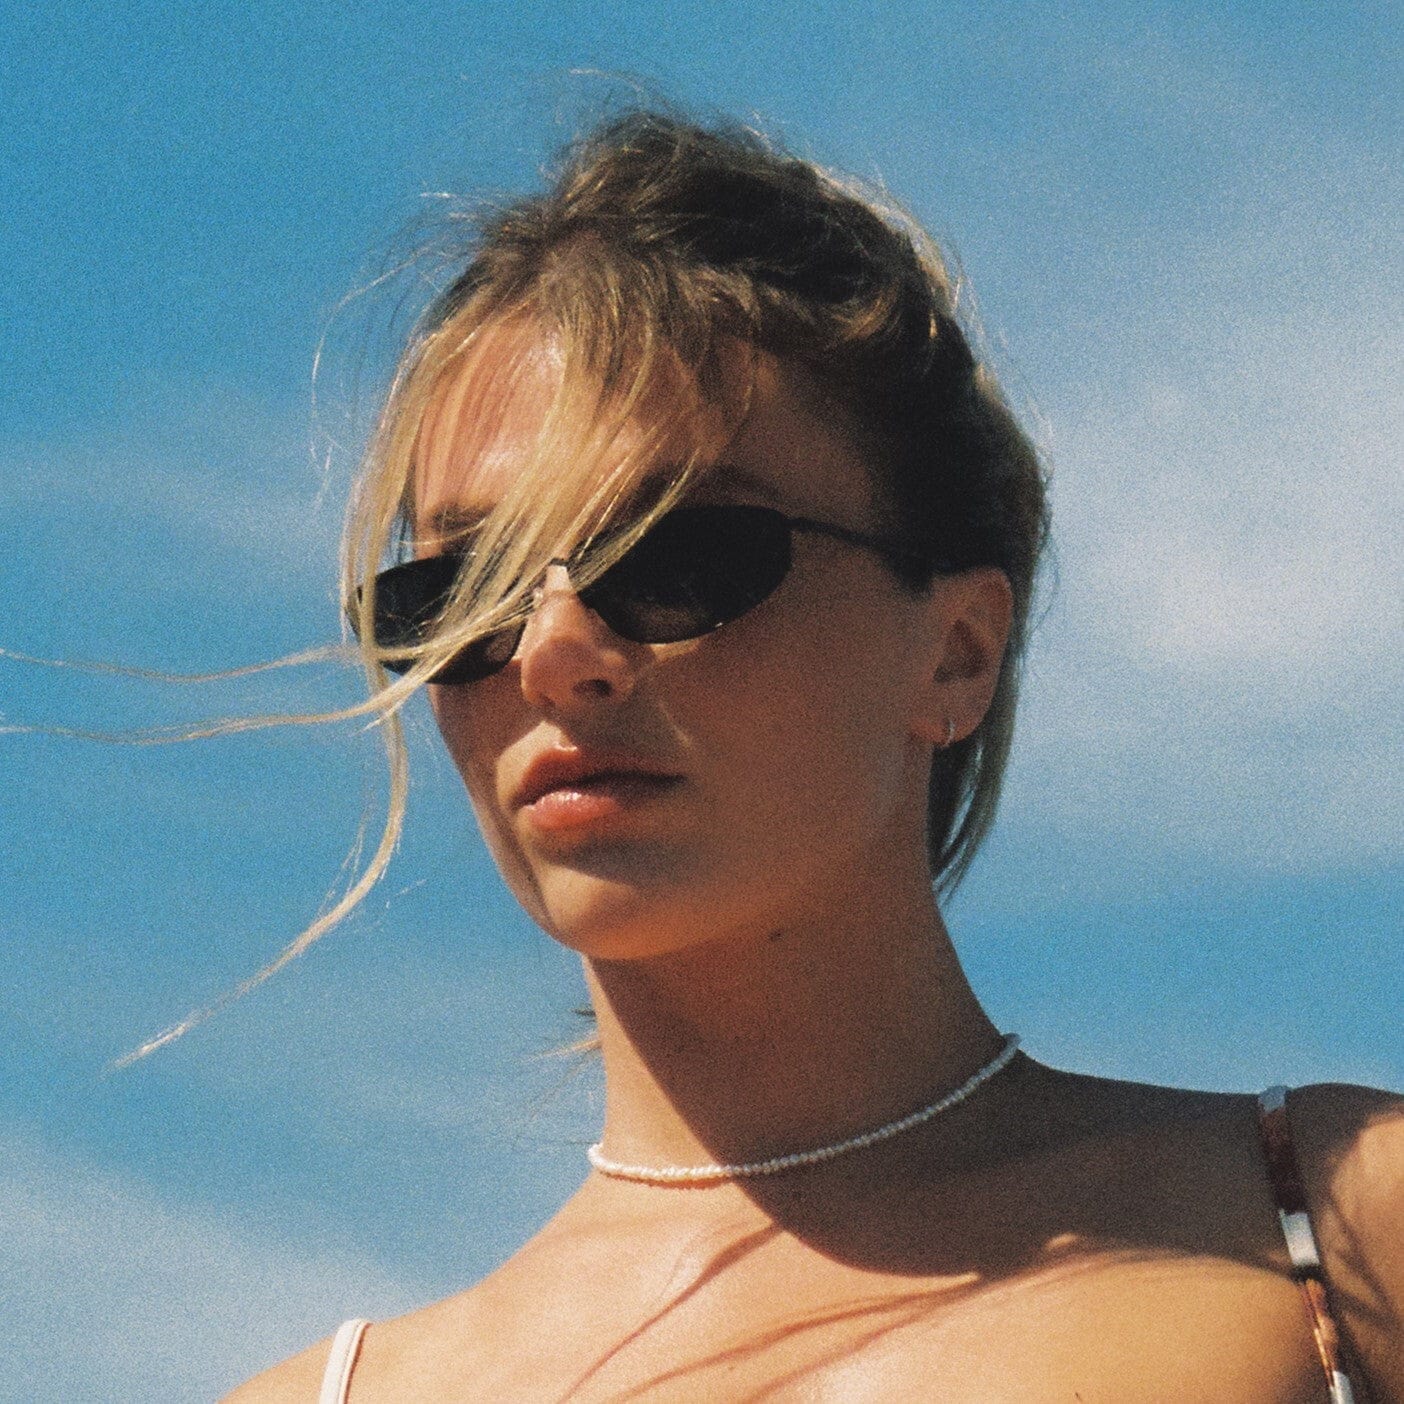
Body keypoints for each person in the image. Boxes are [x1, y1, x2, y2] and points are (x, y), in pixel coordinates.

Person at [226, 111, 1402, 1402]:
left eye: (677, 554)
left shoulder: (1337, 1226)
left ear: (955, 651)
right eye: (466, 590)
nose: (555, 654)